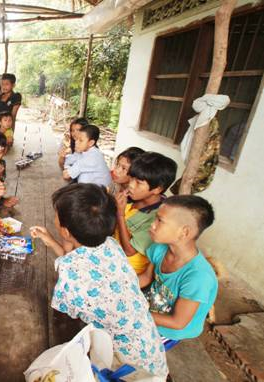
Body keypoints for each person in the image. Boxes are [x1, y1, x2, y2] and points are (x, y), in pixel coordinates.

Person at [30, 184, 168, 380]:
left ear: (67, 231)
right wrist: (51, 240)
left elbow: (66, 318)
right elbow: (79, 259)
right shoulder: (111, 244)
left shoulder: (70, 274)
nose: (54, 219)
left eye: (56, 216)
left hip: (124, 367)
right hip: (150, 349)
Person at [139, 195, 218, 341]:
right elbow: (145, 277)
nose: (152, 225)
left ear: (184, 232)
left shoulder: (198, 277)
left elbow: (178, 322)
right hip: (150, 309)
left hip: (168, 330)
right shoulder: (160, 249)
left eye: (160, 221)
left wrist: (134, 314)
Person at [115, 152, 177, 275]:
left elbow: (129, 251)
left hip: (127, 269)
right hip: (112, 253)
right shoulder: (131, 199)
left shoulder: (159, 216)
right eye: (132, 178)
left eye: (139, 182)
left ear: (157, 189)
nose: (131, 185)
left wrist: (120, 214)